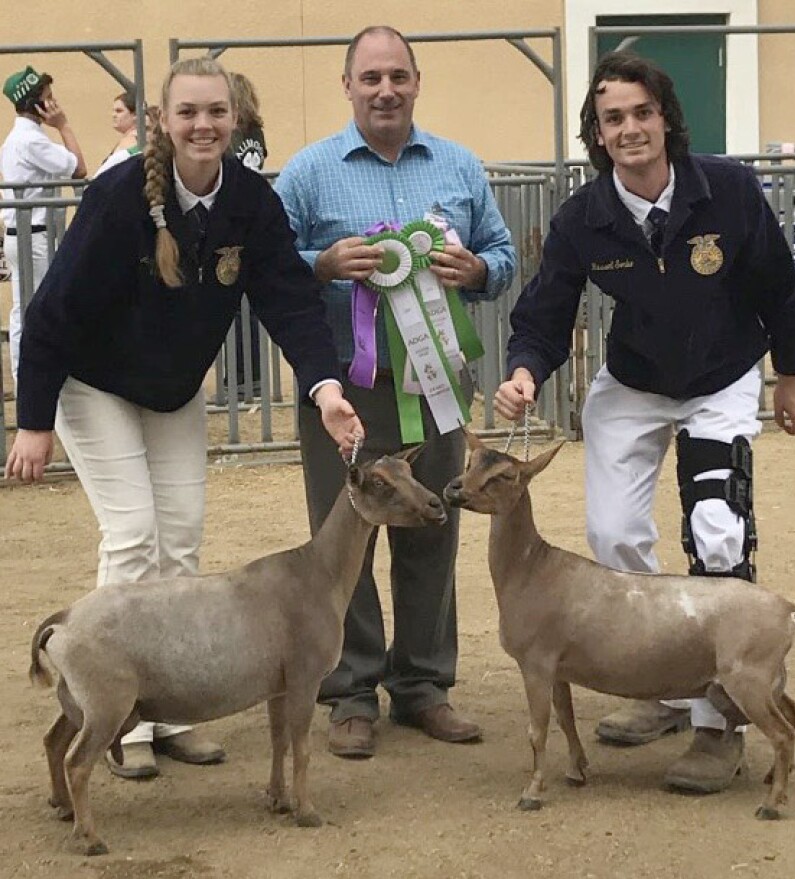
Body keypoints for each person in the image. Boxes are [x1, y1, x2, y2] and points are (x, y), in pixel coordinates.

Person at [5, 57, 362, 780]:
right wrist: (33, 421)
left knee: (183, 538)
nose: (204, 125)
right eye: (189, 112)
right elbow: (51, 314)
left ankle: (169, 712)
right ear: (162, 123)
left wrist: (326, 387)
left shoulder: (252, 204)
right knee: (133, 532)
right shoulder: (117, 199)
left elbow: (289, 299)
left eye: (217, 112)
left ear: (236, 121)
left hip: (171, 388)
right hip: (91, 381)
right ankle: (118, 725)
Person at [495, 51, 795, 795]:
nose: (631, 128)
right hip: (634, 384)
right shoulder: (585, 216)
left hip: (721, 377)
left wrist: (792, 375)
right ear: (597, 135)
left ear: (665, 117)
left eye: (643, 112)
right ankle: (662, 684)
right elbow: (546, 310)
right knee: (612, 534)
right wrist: (522, 371)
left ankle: (717, 720)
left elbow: (780, 282)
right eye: (614, 118)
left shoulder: (728, 190)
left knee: (718, 527)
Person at [276, 25, 515, 759]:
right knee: (343, 535)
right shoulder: (308, 172)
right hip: (343, 391)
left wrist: (475, 270)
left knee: (433, 524)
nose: (385, 90)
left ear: (418, 82)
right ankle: (350, 688)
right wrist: (319, 263)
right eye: (370, 77)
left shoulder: (460, 165)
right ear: (347, 85)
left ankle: (423, 686)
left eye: (398, 77)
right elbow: (271, 267)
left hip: (436, 383)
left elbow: (504, 257)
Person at [1, 65, 87, 387]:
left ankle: (28, 375)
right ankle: (32, 378)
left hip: (28, 235)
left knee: (25, 308)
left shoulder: (23, 138)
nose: (54, 104)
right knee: (35, 309)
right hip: (33, 237)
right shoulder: (30, 141)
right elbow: (79, 168)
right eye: (49, 99)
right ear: (37, 104)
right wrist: (63, 126)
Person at [226, 71, 267, 398]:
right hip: (251, 220)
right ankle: (250, 376)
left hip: (234, 222)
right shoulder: (257, 135)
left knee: (236, 309)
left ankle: (239, 379)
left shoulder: (232, 137)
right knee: (249, 309)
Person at [96, 90, 139, 177]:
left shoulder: (132, 141)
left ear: (135, 115)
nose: (114, 115)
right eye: (114, 111)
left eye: (119, 111)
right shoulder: (127, 139)